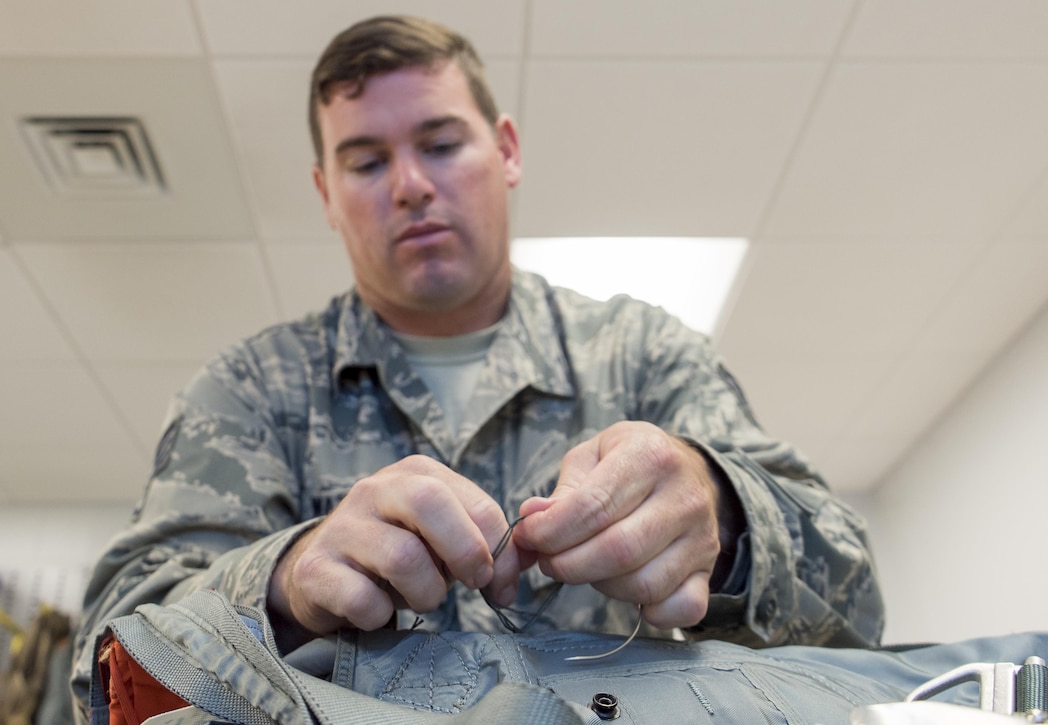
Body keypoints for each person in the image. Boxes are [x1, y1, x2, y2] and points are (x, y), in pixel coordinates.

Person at [71, 14, 883, 722]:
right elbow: (105, 675)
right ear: (325, 194)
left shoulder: (644, 355)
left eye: (441, 143)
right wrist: (286, 581)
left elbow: (858, 613)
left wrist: (724, 519)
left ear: (506, 150)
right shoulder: (250, 391)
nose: (413, 186)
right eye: (366, 162)